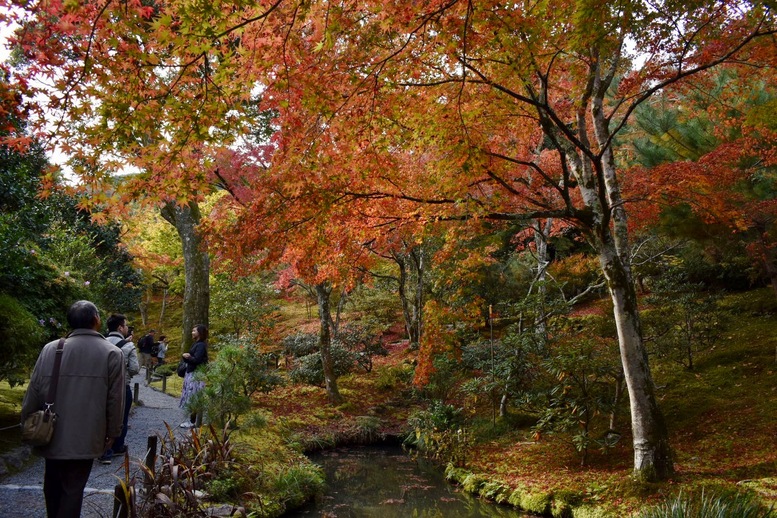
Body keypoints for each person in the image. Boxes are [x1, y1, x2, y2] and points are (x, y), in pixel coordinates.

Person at [21, 300, 125, 518]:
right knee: (73, 488)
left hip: (52, 430)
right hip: (88, 434)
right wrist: (113, 432)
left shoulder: (52, 348)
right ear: (96, 321)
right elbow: (116, 399)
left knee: (52, 484)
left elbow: (34, 390)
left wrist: (27, 421)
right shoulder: (112, 353)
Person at [98, 314, 140, 464]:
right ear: (120, 327)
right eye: (126, 325)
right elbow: (135, 368)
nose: (127, 328)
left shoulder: (99, 343)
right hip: (122, 386)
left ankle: (102, 448)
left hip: (101, 386)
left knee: (101, 416)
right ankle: (116, 446)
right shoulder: (128, 345)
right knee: (121, 417)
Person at [179, 324, 209, 429]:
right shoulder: (197, 344)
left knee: (193, 396)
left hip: (196, 374)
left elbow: (197, 360)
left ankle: (193, 422)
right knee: (192, 396)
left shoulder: (200, 345)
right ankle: (193, 421)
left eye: (194, 331)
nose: (192, 332)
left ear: (199, 332)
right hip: (193, 373)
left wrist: (187, 357)